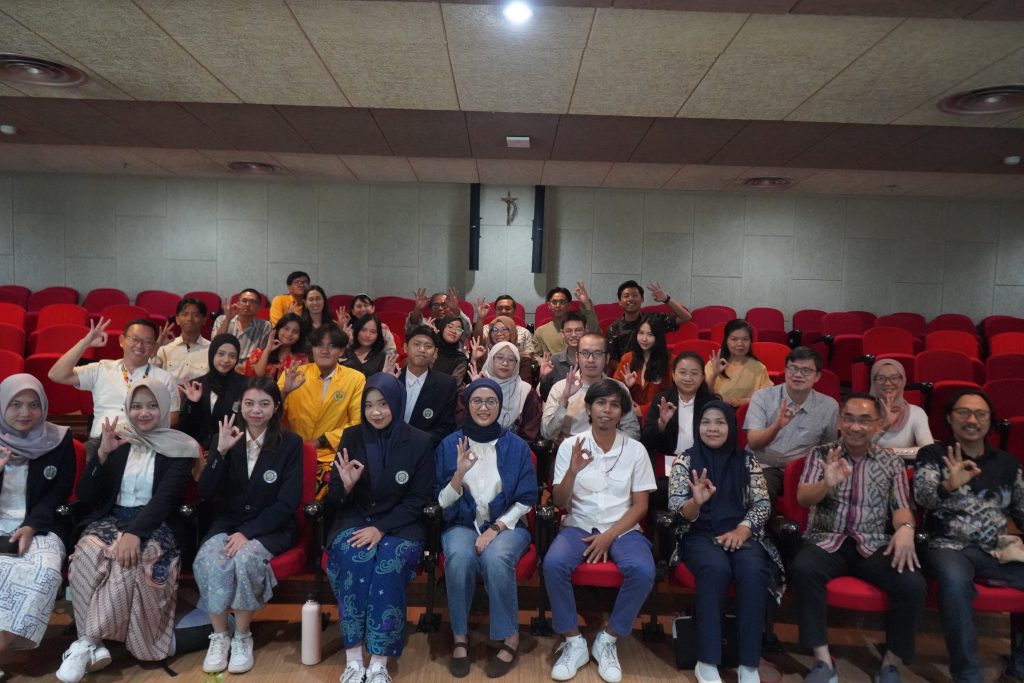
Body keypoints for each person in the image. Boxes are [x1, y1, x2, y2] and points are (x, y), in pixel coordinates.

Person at [57, 379, 200, 683]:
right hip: (111, 519)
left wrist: (134, 533)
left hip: (156, 523)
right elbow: (87, 493)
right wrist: (102, 456)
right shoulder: (116, 440)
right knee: (87, 552)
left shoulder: (181, 447)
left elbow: (165, 499)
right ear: (127, 408)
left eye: (152, 406)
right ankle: (90, 644)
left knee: (129, 558)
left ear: (163, 408)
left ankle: (87, 642)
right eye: (136, 406)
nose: (143, 413)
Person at [792, 393, 925, 683]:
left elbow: (902, 506)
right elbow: (803, 498)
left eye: (864, 420)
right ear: (839, 421)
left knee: (912, 582)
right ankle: (823, 661)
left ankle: (890, 663)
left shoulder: (891, 463)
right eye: (849, 418)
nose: (855, 426)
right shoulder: (822, 454)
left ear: (878, 425)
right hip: (828, 539)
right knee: (803, 568)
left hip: (873, 542)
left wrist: (906, 530)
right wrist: (825, 483)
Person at [545, 379, 657, 683]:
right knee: (554, 564)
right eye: (601, 403)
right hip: (579, 522)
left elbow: (641, 506)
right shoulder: (571, 446)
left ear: (622, 412)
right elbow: (559, 501)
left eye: (614, 405)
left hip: (623, 527)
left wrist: (609, 535)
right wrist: (572, 472)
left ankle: (608, 639)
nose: (607, 410)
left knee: (643, 570)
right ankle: (573, 641)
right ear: (590, 408)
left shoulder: (635, 450)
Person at [326, 373, 433, 683]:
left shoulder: (420, 441)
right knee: (356, 560)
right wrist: (345, 487)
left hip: (400, 526)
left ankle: (379, 662)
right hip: (355, 521)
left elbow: (419, 499)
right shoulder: (351, 437)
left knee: (387, 566)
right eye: (369, 405)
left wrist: (382, 528)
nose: (375, 412)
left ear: (396, 404)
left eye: (383, 404)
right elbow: (334, 496)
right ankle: (354, 659)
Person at [913, 389, 1024, 683]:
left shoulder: (1008, 464)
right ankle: (967, 674)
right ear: (950, 418)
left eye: (980, 414)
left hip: (996, 549)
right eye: (963, 412)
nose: (972, 420)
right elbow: (923, 498)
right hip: (948, 546)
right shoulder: (933, 454)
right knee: (953, 581)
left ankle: (1020, 664)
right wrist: (948, 486)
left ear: (990, 421)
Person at [194, 377, 302, 675]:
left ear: (276, 407)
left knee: (245, 558)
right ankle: (219, 635)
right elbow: (205, 491)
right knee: (210, 557)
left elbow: (287, 502)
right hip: (228, 523)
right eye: (250, 403)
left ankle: (242, 636)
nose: (256, 410)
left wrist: (248, 533)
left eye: (264, 404)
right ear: (241, 406)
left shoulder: (290, 443)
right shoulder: (227, 436)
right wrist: (220, 452)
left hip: (271, 526)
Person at [669, 400, 781, 683]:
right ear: (698, 426)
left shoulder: (747, 460)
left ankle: (749, 665)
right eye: (706, 422)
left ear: (731, 427)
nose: (713, 428)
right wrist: (695, 502)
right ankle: (706, 661)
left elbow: (762, 503)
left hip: (742, 533)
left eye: (720, 422)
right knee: (715, 568)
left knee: (754, 571)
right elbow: (676, 508)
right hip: (699, 535)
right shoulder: (685, 460)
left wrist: (743, 530)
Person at [436, 378, 538, 678]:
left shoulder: (516, 446)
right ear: (467, 406)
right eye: (477, 401)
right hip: (462, 523)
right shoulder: (448, 444)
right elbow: (441, 502)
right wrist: (458, 476)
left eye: (490, 401)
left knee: (496, 558)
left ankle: (510, 637)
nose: (484, 407)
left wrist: (495, 529)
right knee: (459, 556)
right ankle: (459, 637)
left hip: (508, 525)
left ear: (499, 406)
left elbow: (527, 498)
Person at [0, 375, 75, 673]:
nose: (24, 412)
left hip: (42, 524)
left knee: (43, 570)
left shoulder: (58, 438)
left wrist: (32, 525)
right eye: (15, 404)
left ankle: (3, 644)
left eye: (33, 405)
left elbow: (59, 492)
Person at [48, 317, 181, 439]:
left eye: (147, 341)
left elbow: (173, 416)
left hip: (145, 441)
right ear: (122, 341)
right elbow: (56, 375)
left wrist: (138, 430)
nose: (139, 346)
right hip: (101, 440)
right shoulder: (102, 368)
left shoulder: (164, 378)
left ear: (153, 346)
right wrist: (85, 342)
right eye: (134, 339)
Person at [743, 346, 838, 503]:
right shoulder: (763, 397)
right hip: (764, 465)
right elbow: (753, 443)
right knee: (759, 496)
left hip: (803, 470)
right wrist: (776, 426)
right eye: (793, 368)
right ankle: (765, 527)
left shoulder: (829, 406)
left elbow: (826, 450)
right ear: (785, 371)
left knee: (828, 494)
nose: (798, 375)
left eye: (806, 370)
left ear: (817, 376)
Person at [279, 324, 365, 490]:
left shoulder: (355, 379)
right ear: (312, 348)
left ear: (341, 351)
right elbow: (270, 415)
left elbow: (357, 423)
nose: (324, 350)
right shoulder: (294, 373)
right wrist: (284, 393)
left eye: (332, 346)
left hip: (330, 455)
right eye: (319, 345)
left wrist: (320, 441)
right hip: (292, 452)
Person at [641, 352, 717, 511]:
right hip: (668, 463)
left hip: (702, 463)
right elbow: (647, 440)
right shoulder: (661, 400)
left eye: (694, 373)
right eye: (682, 372)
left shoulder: (712, 403)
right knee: (659, 491)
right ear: (673, 375)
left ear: (703, 377)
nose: (688, 378)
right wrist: (661, 423)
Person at [541, 334, 641, 447]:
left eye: (597, 354)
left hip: (610, 452)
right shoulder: (560, 388)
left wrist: (613, 449)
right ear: (577, 357)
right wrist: (564, 400)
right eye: (585, 353)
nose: (591, 359)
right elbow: (546, 433)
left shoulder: (619, 388)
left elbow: (632, 431)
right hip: (571, 453)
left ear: (607, 358)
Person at [459, 342, 542, 443]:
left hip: (513, 449)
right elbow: (461, 424)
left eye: (511, 359)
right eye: (500, 357)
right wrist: (474, 394)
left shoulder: (526, 392)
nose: (505, 363)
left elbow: (530, 430)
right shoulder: (472, 389)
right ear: (491, 359)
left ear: (517, 364)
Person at [178, 334, 248, 451]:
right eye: (221, 354)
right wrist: (192, 403)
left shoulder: (246, 385)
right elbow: (185, 428)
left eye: (232, 356)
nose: (226, 360)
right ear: (212, 354)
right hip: (199, 451)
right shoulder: (196, 384)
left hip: (233, 450)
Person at [604, 280, 691, 372]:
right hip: (627, 374)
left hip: (654, 372)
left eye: (635, 295)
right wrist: (629, 372)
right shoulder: (613, 329)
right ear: (620, 302)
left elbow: (686, 317)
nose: (630, 299)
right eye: (626, 296)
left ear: (642, 299)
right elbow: (612, 360)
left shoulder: (654, 321)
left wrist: (666, 299)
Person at [399, 326, 457, 449]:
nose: (422, 350)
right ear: (405, 347)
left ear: (435, 353)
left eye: (428, 346)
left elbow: (446, 427)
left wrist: (416, 440)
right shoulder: (392, 377)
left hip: (424, 450)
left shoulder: (446, 385)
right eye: (416, 344)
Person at [868, 359, 933, 459]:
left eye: (894, 378)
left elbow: (928, 450)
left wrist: (893, 451)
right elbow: (854, 447)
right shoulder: (863, 412)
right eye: (880, 378)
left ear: (903, 381)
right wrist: (884, 426)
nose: (888, 383)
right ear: (873, 381)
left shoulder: (916, 413)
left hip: (904, 471)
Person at [705, 320, 772, 408]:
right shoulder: (714, 364)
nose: (740, 343)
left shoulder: (759, 367)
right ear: (726, 341)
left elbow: (768, 397)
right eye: (734, 339)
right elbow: (704, 395)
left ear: (750, 342)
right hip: (718, 413)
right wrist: (714, 374)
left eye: (745, 339)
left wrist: (745, 401)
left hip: (748, 414)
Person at [612, 315, 671, 411]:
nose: (644, 339)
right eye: (641, 333)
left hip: (658, 415)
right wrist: (627, 386)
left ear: (658, 336)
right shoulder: (627, 358)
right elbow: (614, 392)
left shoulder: (670, 361)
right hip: (629, 414)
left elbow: (671, 395)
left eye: (650, 334)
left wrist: (643, 410)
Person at [532, 284, 600, 357]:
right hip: (552, 366)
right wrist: (541, 361)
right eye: (554, 302)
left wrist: (587, 304)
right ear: (548, 305)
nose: (558, 305)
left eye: (562, 302)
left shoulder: (579, 328)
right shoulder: (540, 331)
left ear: (569, 305)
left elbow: (595, 335)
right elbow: (535, 356)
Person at [153, 297, 210, 382]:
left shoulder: (211, 349)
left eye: (196, 315)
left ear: (204, 320)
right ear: (177, 319)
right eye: (185, 314)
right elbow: (150, 372)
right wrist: (157, 345)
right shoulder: (165, 347)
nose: (189, 319)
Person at [213, 289, 272, 365]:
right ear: (238, 303)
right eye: (244, 300)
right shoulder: (221, 320)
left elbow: (262, 354)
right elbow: (216, 345)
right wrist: (228, 319)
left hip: (250, 368)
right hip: (225, 365)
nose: (247, 304)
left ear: (259, 306)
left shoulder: (265, 326)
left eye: (252, 302)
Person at [539, 311, 587, 402]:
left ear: (585, 331)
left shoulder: (592, 361)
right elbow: (546, 398)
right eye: (568, 331)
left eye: (578, 330)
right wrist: (544, 378)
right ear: (562, 333)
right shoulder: (553, 361)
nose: (573, 335)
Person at [244, 312, 308, 380]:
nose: (289, 333)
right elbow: (259, 375)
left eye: (295, 332)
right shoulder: (258, 353)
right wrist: (267, 350)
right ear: (278, 330)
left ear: (300, 336)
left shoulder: (301, 360)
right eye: (286, 329)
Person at [406, 287, 471, 341]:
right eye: (436, 305)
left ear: (451, 308)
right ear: (430, 310)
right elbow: (413, 326)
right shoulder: (426, 324)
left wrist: (456, 309)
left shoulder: (456, 325)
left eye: (444, 305)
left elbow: (467, 330)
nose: (440, 308)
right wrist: (417, 309)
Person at [432, 315, 470, 387]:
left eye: (459, 329)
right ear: (442, 327)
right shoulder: (430, 349)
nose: (454, 331)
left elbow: (453, 385)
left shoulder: (460, 359)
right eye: (450, 327)